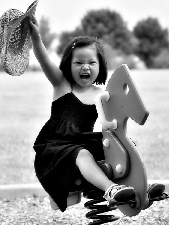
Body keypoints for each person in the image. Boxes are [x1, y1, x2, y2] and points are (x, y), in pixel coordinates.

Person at [28, 18, 135, 212]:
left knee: (124, 146)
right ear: (68, 65)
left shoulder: (102, 95)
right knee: (82, 154)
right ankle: (110, 189)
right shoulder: (62, 84)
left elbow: (110, 123)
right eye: (78, 62)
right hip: (56, 146)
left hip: (81, 142)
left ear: (100, 66)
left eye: (91, 62)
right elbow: (43, 59)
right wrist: (36, 37)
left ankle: (138, 187)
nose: (85, 67)